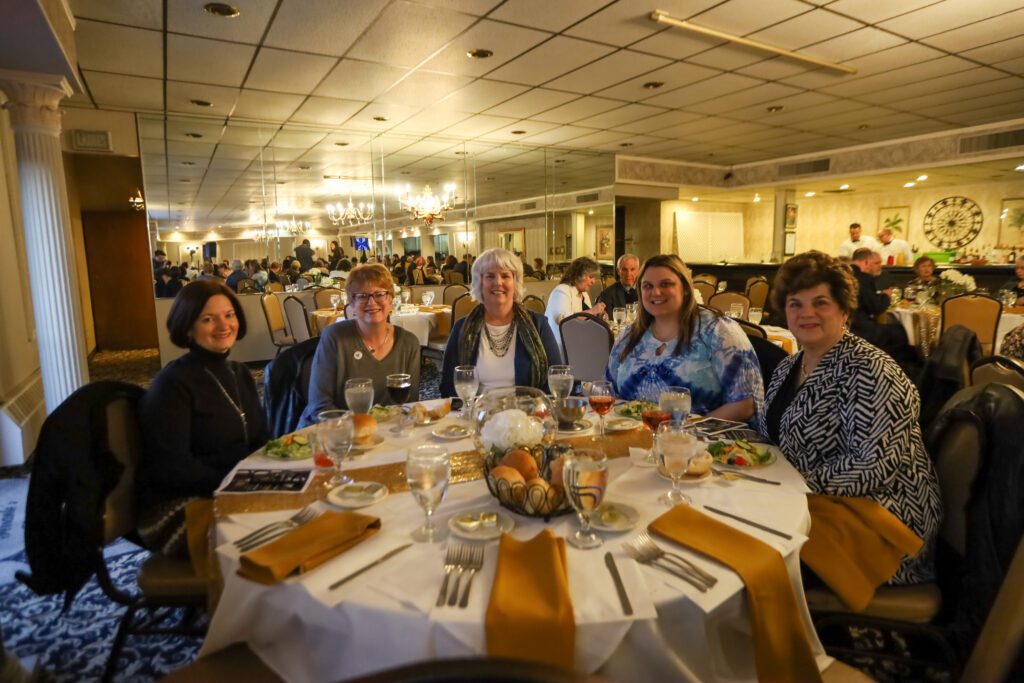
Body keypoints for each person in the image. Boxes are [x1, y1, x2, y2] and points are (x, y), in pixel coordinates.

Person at [761, 250, 941, 585]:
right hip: (812, 505)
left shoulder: (870, 370)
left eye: (820, 303)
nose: (806, 313)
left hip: (879, 522)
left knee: (755, 555)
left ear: (844, 310)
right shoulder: (791, 365)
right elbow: (773, 436)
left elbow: (873, 467)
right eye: (795, 304)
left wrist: (789, 486)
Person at [137, 280, 268, 557]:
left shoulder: (239, 373)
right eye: (208, 319)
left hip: (230, 491)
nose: (223, 326)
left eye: (229, 315)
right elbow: (173, 469)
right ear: (188, 327)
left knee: (309, 511)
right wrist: (238, 486)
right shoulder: (172, 384)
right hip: (178, 508)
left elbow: (260, 441)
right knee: (272, 535)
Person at [606, 254, 763, 424]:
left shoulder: (717, 330)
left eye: (666, 284)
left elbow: (747, 403)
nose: (656, 292)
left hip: (703, 442)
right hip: (632, 440)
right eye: (647, 286)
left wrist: (691, 428)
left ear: (686, 288)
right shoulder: (629, 335)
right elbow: (608, 391)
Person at [301, 264, 420, 426]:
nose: (372, 302)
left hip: (386, 437)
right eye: (363, 296)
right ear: (351, 302)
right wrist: (357, 431)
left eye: (380, 294)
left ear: (391, 299)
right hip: (334, 435)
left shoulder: (409, 343)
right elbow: (319, 406)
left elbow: (409, 405)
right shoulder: (334, 337)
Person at [440, 248, 562, 396]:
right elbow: (449, 386)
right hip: (476, 414)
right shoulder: (462, 328)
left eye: (505, 276)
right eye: (490, 276)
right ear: (480, 282)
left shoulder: (538, 324)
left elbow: (556, 378)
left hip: (526, 414)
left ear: (515, 282)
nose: (498, 282)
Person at [849, 248, 914, 366]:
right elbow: (876, 308)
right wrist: (886, 296)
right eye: (876, 263)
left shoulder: (846, 274)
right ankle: (889, 367)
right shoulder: (863, 278)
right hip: (860, 329)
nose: (880, 266)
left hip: (846, 327)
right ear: (866, 262)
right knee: (902, 333)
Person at [545, 256, 606, 332]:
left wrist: (597, 316)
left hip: (577, 338)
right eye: (590, 277)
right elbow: (562, 320)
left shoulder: (584, 295)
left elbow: (585, 321)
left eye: (594, 278)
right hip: (560, 342)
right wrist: (592, 311)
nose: (593, 281)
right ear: (578, 275)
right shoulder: (561, 290)